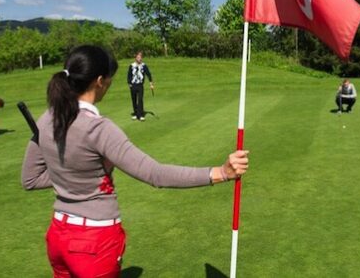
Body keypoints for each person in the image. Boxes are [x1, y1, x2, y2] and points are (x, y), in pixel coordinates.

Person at [21, 45, 249, 278]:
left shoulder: (47, 118)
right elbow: (155, 174)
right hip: (94, 241)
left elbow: (30, 178)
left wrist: (73, 175)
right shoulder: (99, 128)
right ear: (100, 80)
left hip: (58, 236)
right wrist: (220, 172)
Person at [127, 50, 154, 121]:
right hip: (133, 85)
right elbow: (129, 75)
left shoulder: (144, 66)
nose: (140, 58)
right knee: (134, 100)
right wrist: (129, 84)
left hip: (140, 85)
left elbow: (148, 74)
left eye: (141, 57)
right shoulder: (131, 66)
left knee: (140, 99)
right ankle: (136, 114)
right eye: (138, 57)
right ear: (135, 58)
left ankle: (141, 115)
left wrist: (151, 83)